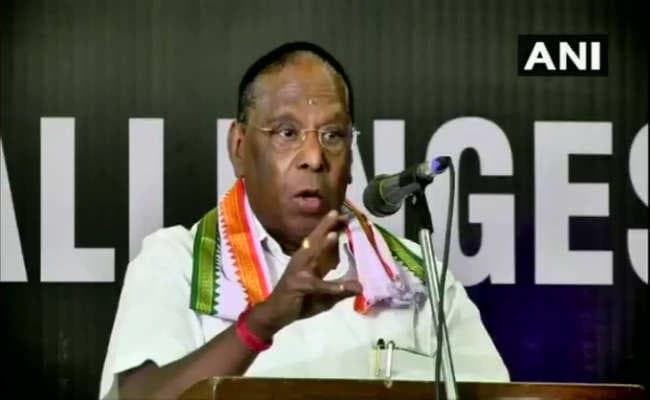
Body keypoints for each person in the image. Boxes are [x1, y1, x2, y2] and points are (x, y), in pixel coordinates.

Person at [99, 42, 509, 400]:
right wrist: (262, 323)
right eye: (286, 133)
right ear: (239, 147)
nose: (314, 157)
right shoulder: (175, 263)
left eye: (332, 135)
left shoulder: (420, 278)